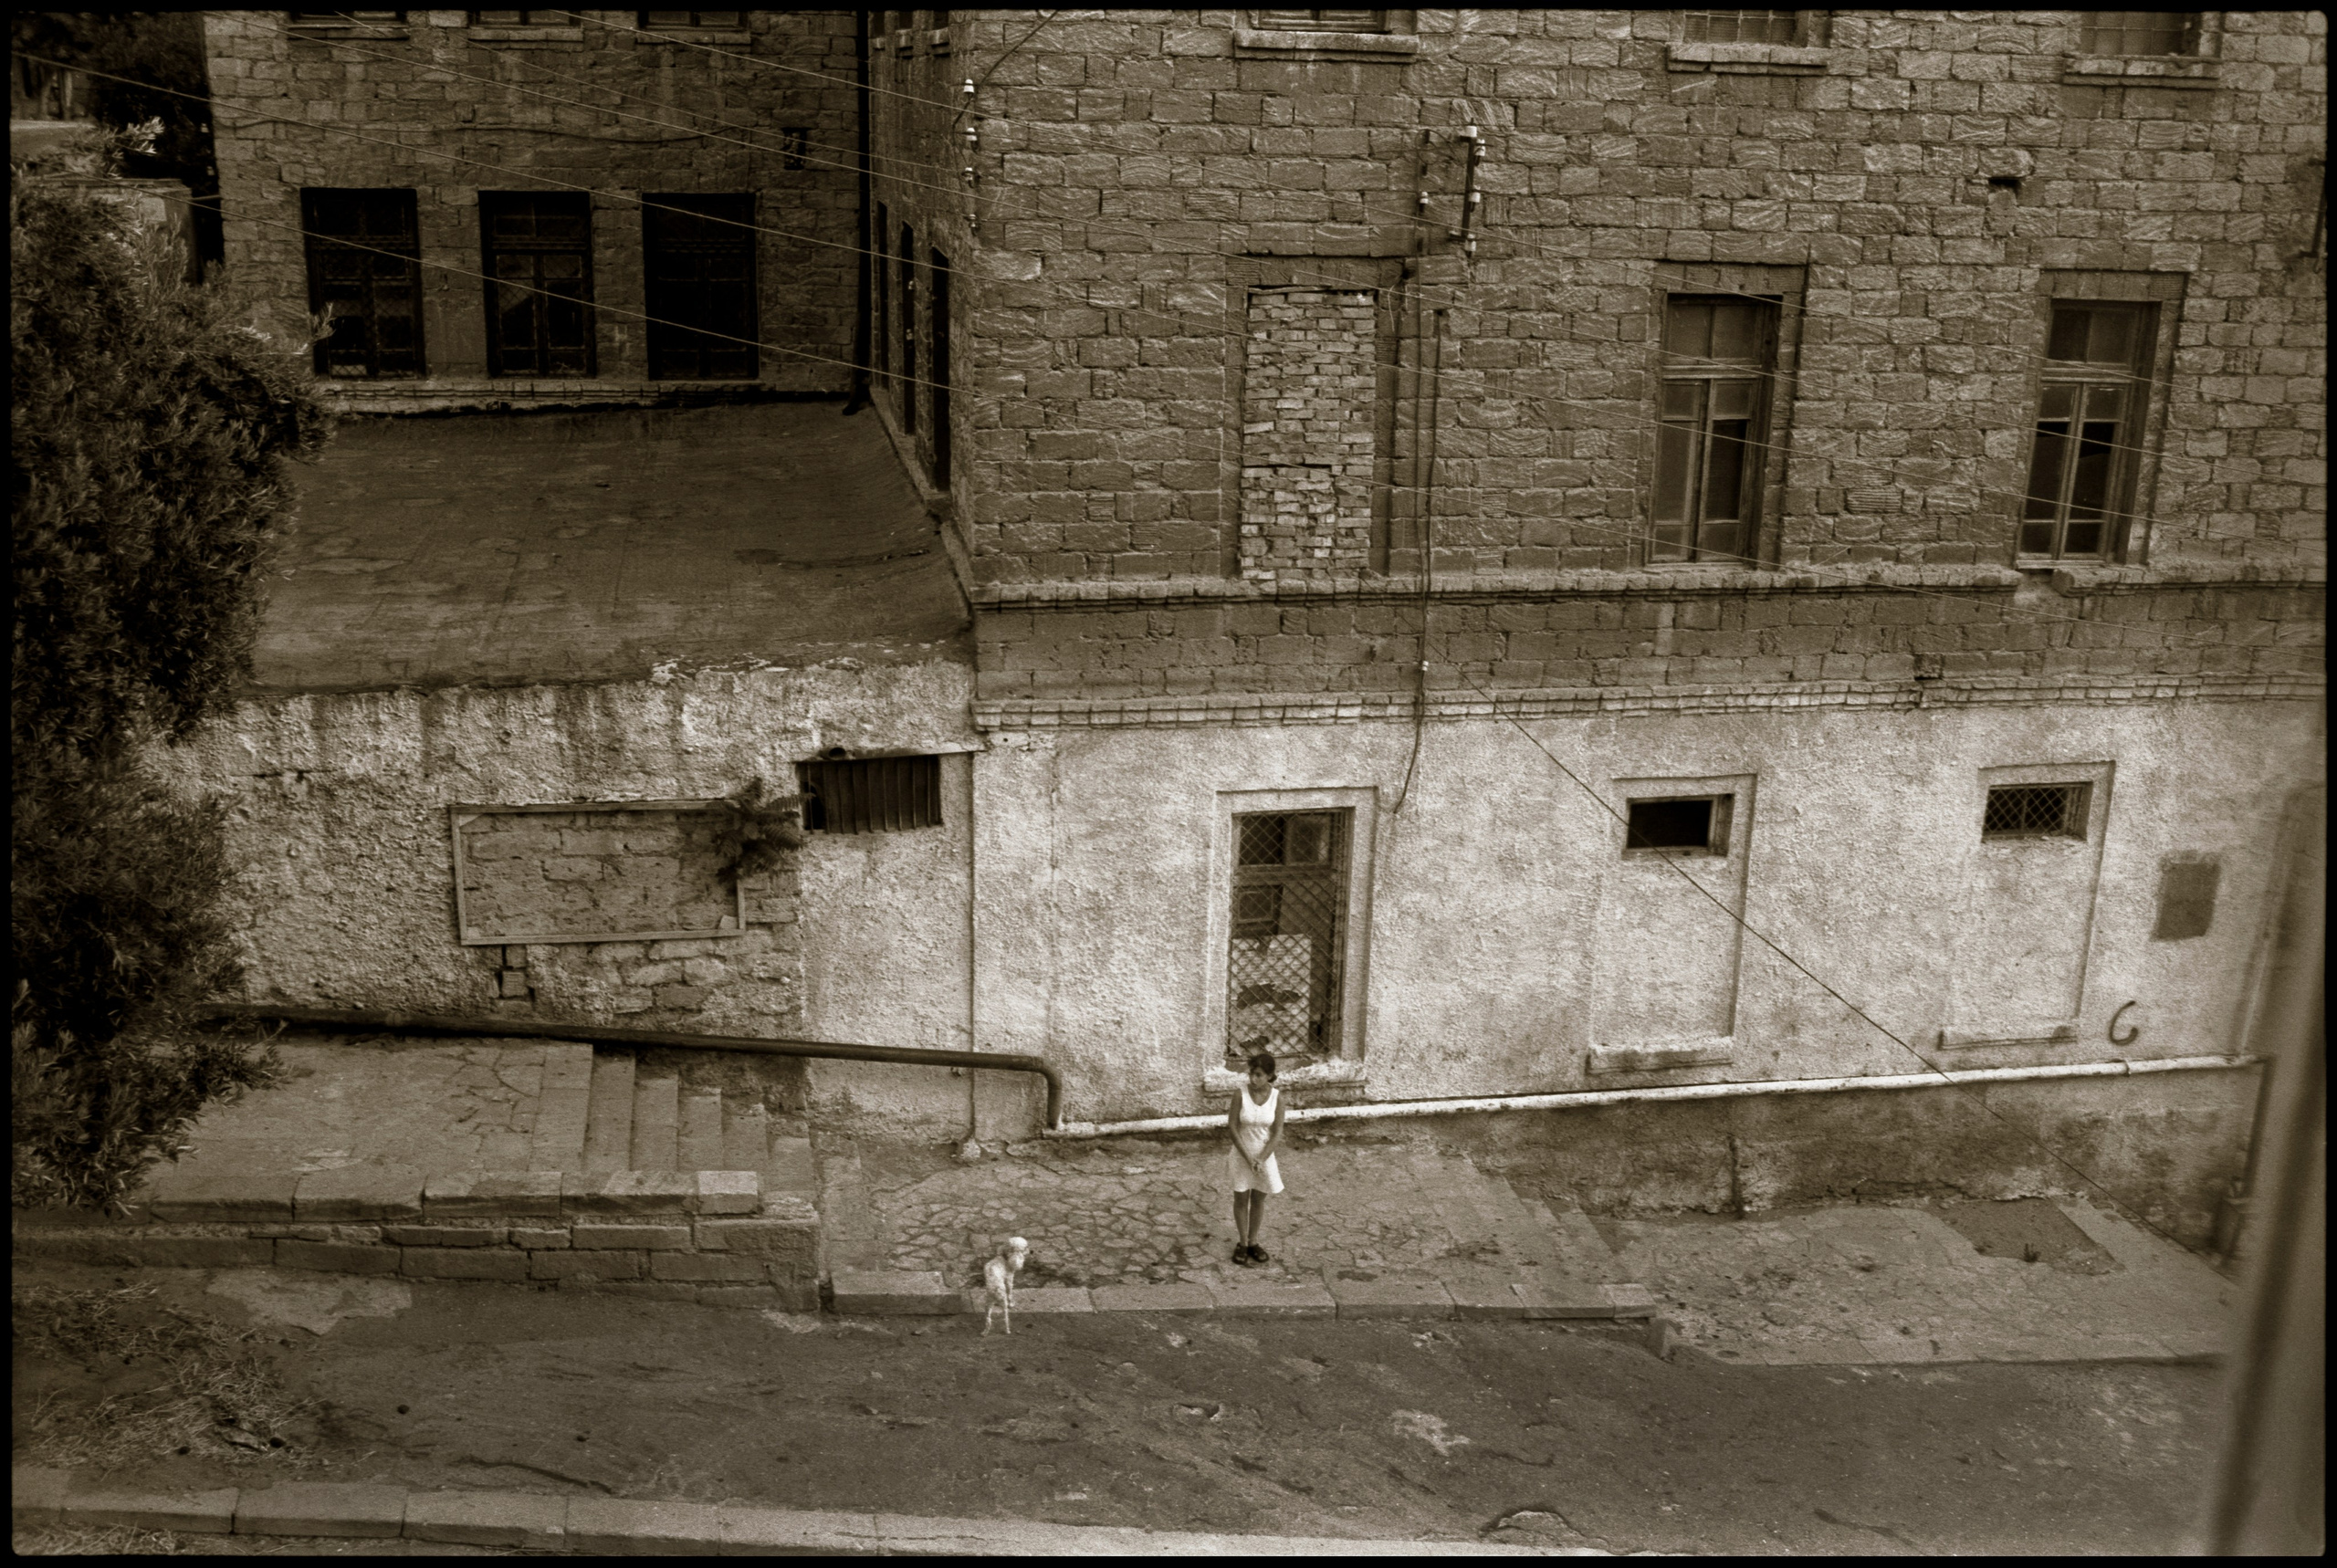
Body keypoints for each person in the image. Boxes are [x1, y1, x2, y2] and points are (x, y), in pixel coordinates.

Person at [1226, 1050, 1285, 1265]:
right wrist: (1248, 1157)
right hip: (1242, 1154)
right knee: (1241, 1198)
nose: (1253, 1079)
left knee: (1259, 1199)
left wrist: (1261, 1158)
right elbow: (1233, 1127)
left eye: (1259, 1075)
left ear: (1269, 1075)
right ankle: (1242, 1243)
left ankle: (1253, 1242)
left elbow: (1277, 1132)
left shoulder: (1277, 1097)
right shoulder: (1239, 1094)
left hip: (1264, 1156)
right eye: (1251, 1073)